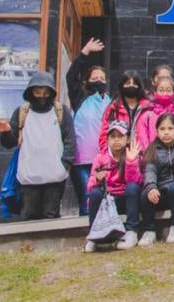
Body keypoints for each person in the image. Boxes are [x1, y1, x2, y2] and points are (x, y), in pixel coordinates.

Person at [0, 72, 75, 220]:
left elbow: (70, 139)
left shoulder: (61, 111)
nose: (42, 96)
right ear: (31, 92)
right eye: (37, 92)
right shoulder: (22, 112)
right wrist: (6, 132)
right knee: (30, 217)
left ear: (51, 92)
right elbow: (10, 143)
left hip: (55, 175)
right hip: (29, 175)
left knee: (51, 216)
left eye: (45, 92)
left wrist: (65, 164)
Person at [65, 37, 110, 216]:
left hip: (104, 160)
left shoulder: (110, 101)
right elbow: (70, 76)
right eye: (94, 77)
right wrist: (84, 53)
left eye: (101, 78)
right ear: (87, 81)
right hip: (81, 161)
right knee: (87, 198)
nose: (98, 80)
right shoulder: (80, 97)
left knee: (105, 198)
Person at [84, 120, 142, 251]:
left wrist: (131, 162)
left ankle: (131, 231)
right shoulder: (100, 158)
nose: (116, 140)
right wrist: (98, 180)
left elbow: (136, 181)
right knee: (95, 193)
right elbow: (90, 185)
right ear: (107, 139)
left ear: (127, 139)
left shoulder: (132, 153)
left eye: (120, 136)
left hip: (125, 198)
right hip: (108, 200)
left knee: (133, 188)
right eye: (113, 137)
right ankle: (93, 236)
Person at [140, 113, 174, 245]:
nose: (166, 132)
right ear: (157, 131)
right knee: (145, 194)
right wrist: (151, 187)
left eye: (170, 128)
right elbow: (150, 171)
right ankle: (149, 231)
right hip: (162, 191)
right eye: (162, 129)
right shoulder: (153, 149)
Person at [98, 70, 153, 153]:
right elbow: (104, 135)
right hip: (118, 158)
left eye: (134, 83)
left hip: (144, 157)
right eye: (127, 83)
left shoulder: (149, 108)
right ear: (122, 85)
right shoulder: (113, 108)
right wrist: (108, 155)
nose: (131, 85)